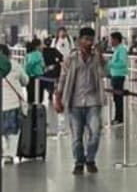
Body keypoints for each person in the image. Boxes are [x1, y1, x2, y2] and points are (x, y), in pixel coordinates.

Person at [53, 27, 107, 175]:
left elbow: (104, 73)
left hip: (93, 101)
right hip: (74, 102)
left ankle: (90, 159)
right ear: (79, 40)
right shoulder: (71, 58)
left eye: (91, 39)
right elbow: (63, 79)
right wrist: (58, 98)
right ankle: (79, 161)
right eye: (86, 39)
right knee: (76, 136)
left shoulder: (96, 57)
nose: (89, 42)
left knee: (95, 133)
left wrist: (100, 54)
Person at [0, 44, 29, 163]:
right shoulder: (15, 65)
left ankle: (4, 151)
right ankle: (9, 155)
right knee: (12, 131)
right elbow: (25, 80)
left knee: (4, 131)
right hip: (12, 103)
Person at [108, 32, 129, 125]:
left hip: (119, 76)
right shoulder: (116, 50)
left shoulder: (121, 50)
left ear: (116, 40)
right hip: (114, 75)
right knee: (116, 98)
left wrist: (110, 64)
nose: (110, 41)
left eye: (112, 39)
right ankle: (117, 117)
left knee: (118, 98)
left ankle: (119, 118)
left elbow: (123, 63)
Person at [40, 36, 64, 105]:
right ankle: (50, 93)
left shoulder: (41, 50)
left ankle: (43, 95)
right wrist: (56, 63)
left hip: (43, 69)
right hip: (53, 69)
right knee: (51, 81)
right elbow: (61, 57)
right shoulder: (54, 50)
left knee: (43, 82)